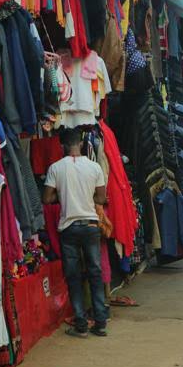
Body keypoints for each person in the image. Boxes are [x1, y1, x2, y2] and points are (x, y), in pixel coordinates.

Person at [42, 129, 109, 338]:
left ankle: (80, 323)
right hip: (90, 225)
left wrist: (63, 197)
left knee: (73, 276)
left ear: (62, 146)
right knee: (95, 273)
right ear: (81, 144)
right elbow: (101, 198)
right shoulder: (94, 167)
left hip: (69, 227)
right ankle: (100, 322)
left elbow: (46, 198)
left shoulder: (55, 168)